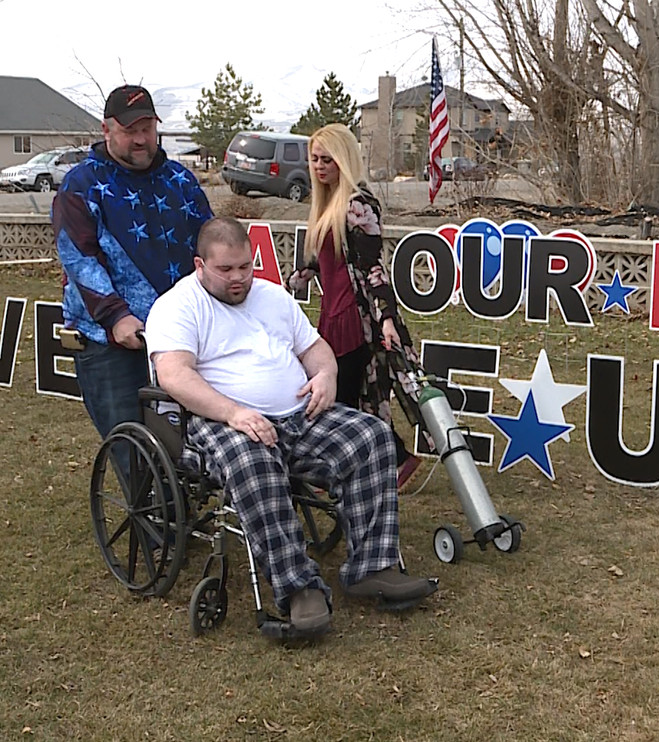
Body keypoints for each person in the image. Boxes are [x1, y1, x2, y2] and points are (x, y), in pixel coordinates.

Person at [146, 217, 437, 637]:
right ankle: (299, 588)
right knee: (253, 464)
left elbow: (316, 348)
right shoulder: (177, 307)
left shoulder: (272, 296)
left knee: (370, 436)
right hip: (222, 421)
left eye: (245, 267)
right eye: (225, 269)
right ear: (200, 264)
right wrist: (233, 413)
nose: (238, 278)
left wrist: (325, 377)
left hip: (297, 415)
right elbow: (174, 376)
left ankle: (373, 567)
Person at [53, 84, 213, 439]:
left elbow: (211, 244)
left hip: (183, 336)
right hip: (113, 344)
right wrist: (116, 316)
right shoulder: (82, 186)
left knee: (191, 449)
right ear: (106, 130)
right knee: (135, 452)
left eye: (147, 129)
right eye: (130, 131)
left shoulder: (180, 181)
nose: (141, 139)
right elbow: (79, 260)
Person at [288, 123, 424, 491]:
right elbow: (323, 261)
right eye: (314, 159)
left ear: (343, 159)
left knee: (339, 397)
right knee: (349, 397)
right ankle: (386, 461)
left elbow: (372, 267)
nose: (319, 166)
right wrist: (292, 282)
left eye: (327, 159)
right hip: (331, 315)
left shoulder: (358, 205)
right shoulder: (327, 203)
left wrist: (387, 319)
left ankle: (381, 463)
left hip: (355, 318)